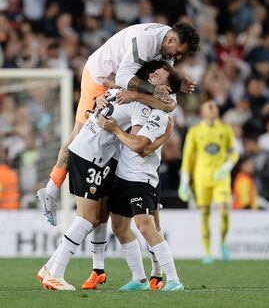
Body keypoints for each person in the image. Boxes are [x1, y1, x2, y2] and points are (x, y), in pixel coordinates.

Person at [36, 21, 200, 226]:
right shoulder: (146, 41)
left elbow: (167, 98)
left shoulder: (166, 48)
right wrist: (151, 93)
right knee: (78, 137)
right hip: (100, 78)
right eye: (178, 52)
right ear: (171, 40)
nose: (177, 58)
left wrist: (176, 85)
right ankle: (51, 190)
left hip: (117, 85)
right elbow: (124, 77)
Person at [39, 62, 181, 291]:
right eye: (153, 74)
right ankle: (55, 272)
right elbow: (140, 144)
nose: (154, 76)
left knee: (104, 218)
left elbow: (114, 88)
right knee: (88, 218)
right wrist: (162, 129)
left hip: (97, 157)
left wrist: (102, 99)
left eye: (160, 77)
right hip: (90, 156)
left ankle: (64, 268)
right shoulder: (138, 104)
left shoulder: (120, 92)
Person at [98, 112, 184, 291]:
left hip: (141, 178)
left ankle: (173, 279)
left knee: (146, 226)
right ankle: (139, 279)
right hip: (122, 175)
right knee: (119, 228)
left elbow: (142, 149)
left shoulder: (158, 112)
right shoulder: (131, 105)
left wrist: (115, 129)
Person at [178, 97, 239, 264]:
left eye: (215, 106)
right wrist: (184, 182)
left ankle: (223, 243)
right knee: (205, 214)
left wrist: (226, 167)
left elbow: (234, 153)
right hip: (202, 178)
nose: (213, 107)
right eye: (209, 106)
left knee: (224, 210)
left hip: (221, 178)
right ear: (202, 112)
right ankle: (207, 252)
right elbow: (188, 158)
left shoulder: (226, 130)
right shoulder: (195, 132)